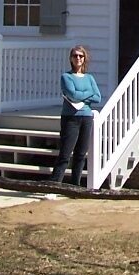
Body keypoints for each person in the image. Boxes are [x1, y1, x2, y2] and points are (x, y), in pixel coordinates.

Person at [48, 45, 101, 186]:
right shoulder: (66, 76)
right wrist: (87, 94)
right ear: (71, 59)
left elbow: (98, 97)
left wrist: (81, 96)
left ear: (85, 59)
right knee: (65, 154)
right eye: (75, 56)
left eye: (81, 56)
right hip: (70, 118)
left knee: (81, 155)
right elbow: (72, 94)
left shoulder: (89, 78)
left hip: (86, 117)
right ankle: (54, 186)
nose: (78, 58)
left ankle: (75, 186)